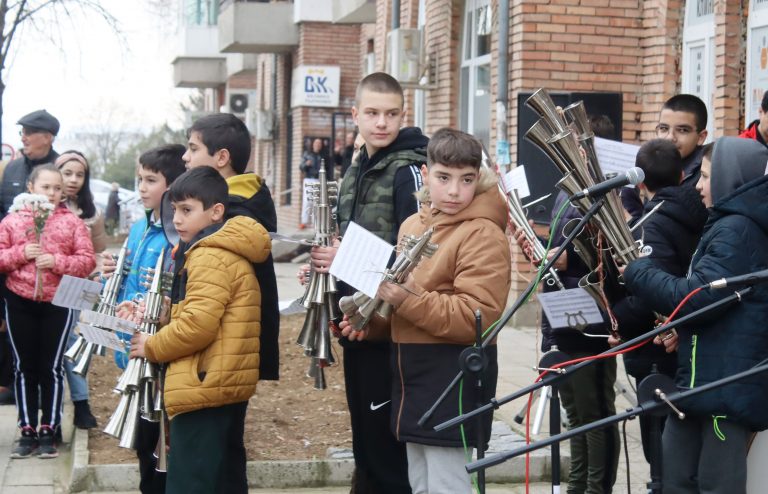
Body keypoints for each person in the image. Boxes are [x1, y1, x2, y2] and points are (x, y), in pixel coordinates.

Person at [369, 128, 511, 492]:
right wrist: (367, 321)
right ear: (425, 173)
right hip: (412, 374)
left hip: (454, 378)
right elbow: (401, 304)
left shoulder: (483, 232)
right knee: (421, 485)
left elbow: (477, 316)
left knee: (449, 487)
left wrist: (408, 297)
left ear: (478, 178)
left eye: (466, 180)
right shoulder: (412, 224)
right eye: (443, 178)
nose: (453, 191)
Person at [624, 136, 768, 494]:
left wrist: (637, 270)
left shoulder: (737, 228)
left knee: (714, 485)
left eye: (705, 177)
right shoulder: (730, 223)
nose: (698, 186)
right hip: (701, 380)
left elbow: (696, 298)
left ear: (729, 179)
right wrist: (680, 328)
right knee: (676, 480)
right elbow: (721, 302)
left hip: (724, 389)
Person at [310, 71, 428, 494]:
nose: (382, 122)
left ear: (403, 115)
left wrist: (346, 257)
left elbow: (415, 257)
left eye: (391, 114)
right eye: (373, 113)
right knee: (365, 446)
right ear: (356, 114)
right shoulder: (357, 163)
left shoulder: (409, 169)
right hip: (355, 320)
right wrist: (326, 271)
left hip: (388, 329)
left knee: (385, 453)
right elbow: (347, 239)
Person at [126, 166, 270, 494]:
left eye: (186, 210)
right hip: (220, 383)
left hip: (202, 386)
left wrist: (151, 345)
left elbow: (197, 327)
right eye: (174, 209)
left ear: (216, 212)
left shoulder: (209, 255)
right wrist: (166, 315)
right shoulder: (225, 251)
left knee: (190, 482)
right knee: (221, 480)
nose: (176, 219)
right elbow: (207, 316)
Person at [610, 139, 708, 467]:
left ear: (639, 182)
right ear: (683, 175)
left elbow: (652, 293)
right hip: (686, 346)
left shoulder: (652, 225)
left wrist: (616, 321)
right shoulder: (698, 211)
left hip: (657, 353)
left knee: (661, 459)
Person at [0, 164, 95, 459]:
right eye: (46, 187)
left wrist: (55, 261)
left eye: (57, 188)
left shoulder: (72, 222)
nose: (53, 193)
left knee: (51, 367)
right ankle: (26, 428)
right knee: (24, 366)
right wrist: (20, 254)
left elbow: (86, 261)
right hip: (20, 300)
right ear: (31, 187)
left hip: (58, 302)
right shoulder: (12, 221)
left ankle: (49, 428)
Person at [181, 112, 281, 382]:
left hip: (222, 351)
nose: (185, 157)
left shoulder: (231, 215)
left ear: (221, 158)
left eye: (193, 149)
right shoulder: (238, 203)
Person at [112, 144, 186, 494]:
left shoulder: (176, 237)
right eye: (139, 179)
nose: (141, 187)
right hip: (133, 350)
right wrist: (110, 275)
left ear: (170, 188)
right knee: (143, 445)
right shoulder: (141, 228)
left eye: (150, 180)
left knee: (161, 447)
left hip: (159, 354)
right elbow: (130, 283)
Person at [0, 110, 61, 407]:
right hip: (12, 268)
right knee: (13, 335)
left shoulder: (60, 167)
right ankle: (14, 384)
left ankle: (52, 406)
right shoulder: (11, 169)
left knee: (50, 354)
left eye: (28, 132)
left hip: (52, 279)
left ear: (47, 137)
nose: (22, 137)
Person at [54, 150, 107, 431]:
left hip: (80, 286)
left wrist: (97, 278)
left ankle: (81, 403)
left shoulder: (91, 212)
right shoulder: (43, 207)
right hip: (48, 286)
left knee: (74, 346)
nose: (73, 180)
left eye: (80, 174)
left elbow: (99, 252)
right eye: (67, 173)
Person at [621, 94, 709, 222]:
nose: (670, 137)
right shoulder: (656, 163)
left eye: (683, 130)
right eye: (663, 128)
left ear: (701, 137)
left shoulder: (704, 176)